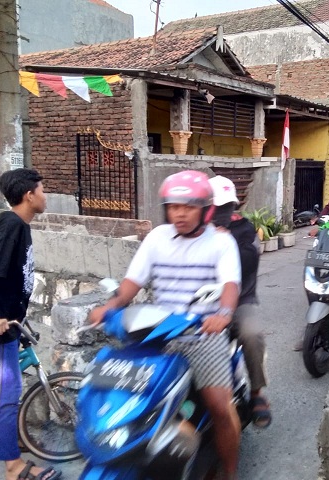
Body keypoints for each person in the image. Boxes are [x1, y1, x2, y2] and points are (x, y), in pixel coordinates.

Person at [89, 170, 242, 479]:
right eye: (173, 206)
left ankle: (229, 472)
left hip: (201, 334)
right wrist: (111, 306)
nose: (179, 213)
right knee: (131, 398)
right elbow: (133, 282)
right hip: (158, 333)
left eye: (187, 207)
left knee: (219, 407)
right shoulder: (158, 237)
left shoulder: (222, 243)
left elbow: (230, 286)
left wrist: (222, 314)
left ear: (205, 209)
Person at [0, 169, 60, 480]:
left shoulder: (20, 226)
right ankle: (13, 467)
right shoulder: (12, 226)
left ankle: (8, 441)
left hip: (9, 324)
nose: (45, 195)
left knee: (5, 391)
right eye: (42, 189)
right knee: (7, 395)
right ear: (29, 195)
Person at [208, 175, 271, 428]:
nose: (222, 212)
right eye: (216, 207)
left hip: (239, 302)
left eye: (227, 207)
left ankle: (257, 393)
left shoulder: (245, 230)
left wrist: (224, 240)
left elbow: (248, 262)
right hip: (199, 304)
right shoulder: (194, 230)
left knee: (252, 334)